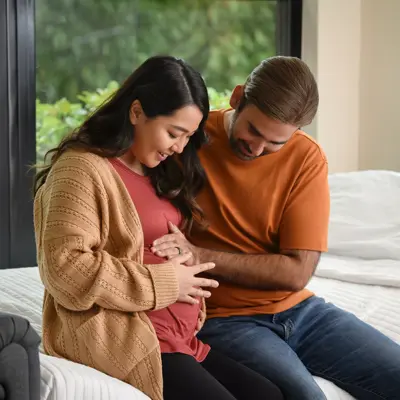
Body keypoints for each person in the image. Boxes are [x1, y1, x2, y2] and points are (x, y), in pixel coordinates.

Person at [33, 56, 284, 400]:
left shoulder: (157, 170)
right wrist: (167, 282)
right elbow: (66, 268)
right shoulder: (81, 169)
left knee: (270, 395)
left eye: (188, 137)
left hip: (179, 338)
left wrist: (186, 256)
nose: (180, 147)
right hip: (130, 339)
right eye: (173, 133)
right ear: (136, 112)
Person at [151, 56, 400, 400]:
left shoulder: (306, 158)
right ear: (237, 98)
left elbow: (297, 272)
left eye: (275, 143)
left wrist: (200, 255)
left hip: (302, 310)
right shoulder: (189, 138)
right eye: (253, 129)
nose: (256, 148)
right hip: (223, 319)